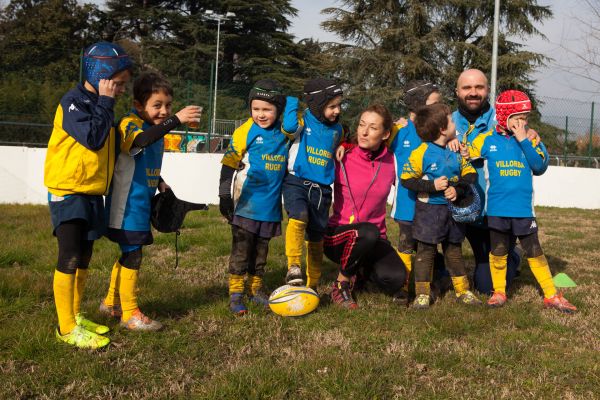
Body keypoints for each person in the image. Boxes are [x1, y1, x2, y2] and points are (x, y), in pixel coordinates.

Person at [44, 41, 132, 349]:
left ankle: (76, 316)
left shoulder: (101, 104)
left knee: (83, 258)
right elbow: (93, 139)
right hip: (69, 191)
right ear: (102, 78)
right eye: (118, 84)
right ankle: (65, 328)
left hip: (93, 192)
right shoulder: (74, 101)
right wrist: (106, 103)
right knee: (68, 256)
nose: (121, 89)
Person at [100, 72, 202, 330]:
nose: (164, 111)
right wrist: (177, 119)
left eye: (168, 105)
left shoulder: (155, 131)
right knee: (133, 255)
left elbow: (139, 159)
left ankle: (110, 303)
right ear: (138, 105)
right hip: (125, 206)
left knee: (129, 253)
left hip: (139, 206)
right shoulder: (130, 123)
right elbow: (140, 142)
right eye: (157, 105)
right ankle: (130, 313)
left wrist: (160, 182)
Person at [465, 90, 577, 312]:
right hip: (497, 210)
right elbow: (467, 152)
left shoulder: (531, 139)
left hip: (524, 210)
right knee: (498, 250)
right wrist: (458, 147)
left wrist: (525, 140)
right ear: (505, 116)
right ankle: (499, 292)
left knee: (534, 250)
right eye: (519, 117)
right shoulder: (487, 139)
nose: (523, 121)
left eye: (526, 117)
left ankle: (551, 294)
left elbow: (539, 167)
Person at [219, 79, 298, 315]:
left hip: (270, 208)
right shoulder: (245, 131)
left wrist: (291, 101)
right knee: (241, 252)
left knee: (261, 253)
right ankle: (235, 294)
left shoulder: (284, 131)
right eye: (256, 109)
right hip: (246, 206)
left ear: (278, 111)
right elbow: (228, 164)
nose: (260, 115)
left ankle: (255, 289)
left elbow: (294, 123)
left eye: (267, 110)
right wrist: (224, 195)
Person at [324, 104, 406, 309]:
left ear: (386, 133)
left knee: (395, 279)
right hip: (338, 236)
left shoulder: (392, 160)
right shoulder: (342, 155)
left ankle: (360, 273)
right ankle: (342, 283)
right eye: (361, 125)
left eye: (373, 127)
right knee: (367, 231)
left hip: (375, 238)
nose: (364, 131)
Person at [401, 103, 482, 309]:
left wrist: (458, 189)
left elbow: (471, 175)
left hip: (452, 212)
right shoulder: (421, 152)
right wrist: (432, 186)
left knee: (453, 250)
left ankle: (463, 290)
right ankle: (422, 294)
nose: (455, 122)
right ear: (442, 129)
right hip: (429, 213)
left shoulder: (456, 151)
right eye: (451, 119)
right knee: (425, 252)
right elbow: (407, 180)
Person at [453, 69, 524, 294]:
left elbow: (526, 136)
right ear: (457, 91)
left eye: (479, 87)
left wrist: (531, 134)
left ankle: (513, 255)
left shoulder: (503, 119)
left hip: (492, 215)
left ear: (488, 91)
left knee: (487, 286)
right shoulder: (444, 121)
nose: (473, 93)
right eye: (466, 88)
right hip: (456, 209)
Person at [283, 78, 345, 290]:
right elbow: (289, 126)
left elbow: (344, 140)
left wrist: (344, 145)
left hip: (323, 190)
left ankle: (313, 284)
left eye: (339, 105)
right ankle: (293, 266)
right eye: (332, 106)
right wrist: (292, 101)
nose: (337, 110)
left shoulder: (337, 129)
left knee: (317, 235)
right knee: (299, 217)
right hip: (296, 181)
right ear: (317, 105)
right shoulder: (303, 121)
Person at [388, 81, 442, 301]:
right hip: (407, 204)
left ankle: (425, 288)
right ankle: (402, 287)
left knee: (426, 250)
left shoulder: (438, 130)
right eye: (434, 103)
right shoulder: (398, 132)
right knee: (406, 246)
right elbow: (371, 141)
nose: (439, 107)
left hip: (431, 205)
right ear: (418, 105)